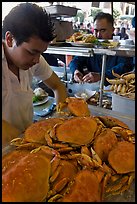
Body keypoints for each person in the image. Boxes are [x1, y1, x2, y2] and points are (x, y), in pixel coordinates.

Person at [2, 3, 67, 134]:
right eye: (32, 52)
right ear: (10, 39)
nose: (37, 60)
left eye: (41, 53)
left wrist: (61, 121)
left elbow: (58, 86)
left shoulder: (34, 60)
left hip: (26, 138)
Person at [69, 12, 134, 84]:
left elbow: (124, 66)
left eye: (103, 30)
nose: (98, 35)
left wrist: (101, 76)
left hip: (114, 89)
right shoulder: (90, 46)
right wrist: (76, 71)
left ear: (112, 30)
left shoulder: (120, 47)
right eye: (96, 30)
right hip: (93, 89)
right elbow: (75, 61)